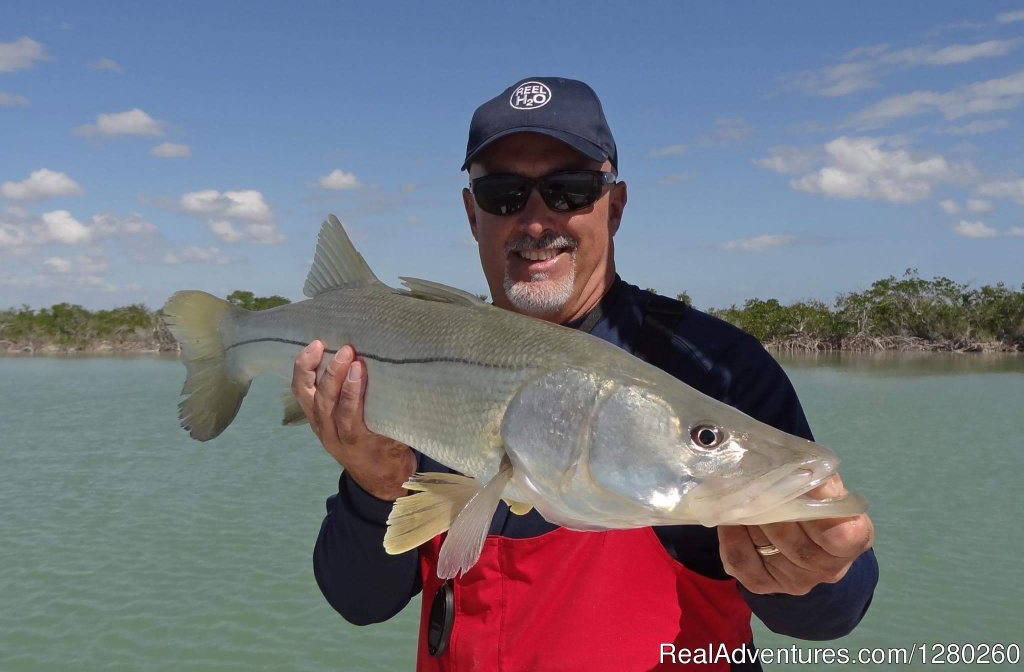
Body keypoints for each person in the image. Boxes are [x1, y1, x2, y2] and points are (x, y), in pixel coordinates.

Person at [293, 77, 877, 671]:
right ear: (472, 214)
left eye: (570, 189)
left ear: (615, 207)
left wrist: (818, 569)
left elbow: (830, 615)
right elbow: (359, 601)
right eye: (503, 193)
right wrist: (373, 486)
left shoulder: (717, 368)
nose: (538, 219)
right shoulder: (415, 359)